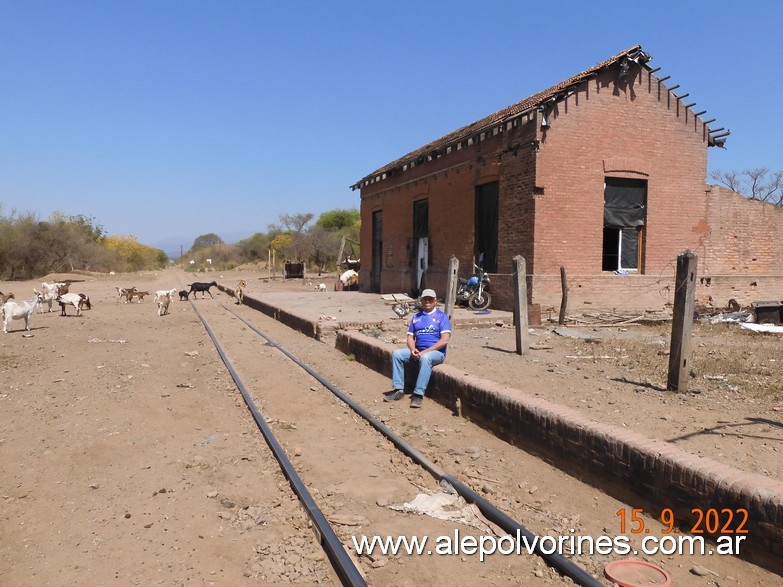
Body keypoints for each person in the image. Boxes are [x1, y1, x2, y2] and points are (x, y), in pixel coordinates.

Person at [383, 289, 451, 408]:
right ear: (421, 301)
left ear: (435, 301)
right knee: (397, 354)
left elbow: (444, 340)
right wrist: (413, 349)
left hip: (436, 353)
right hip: (419, 350)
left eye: (430, 299)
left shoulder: (442, 317)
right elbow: (410, 338)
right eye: (425, 299)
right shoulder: (416, 317)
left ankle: (418, 394)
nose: (427, 301)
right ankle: (398, 389)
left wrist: (425, 352)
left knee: (425, 358)